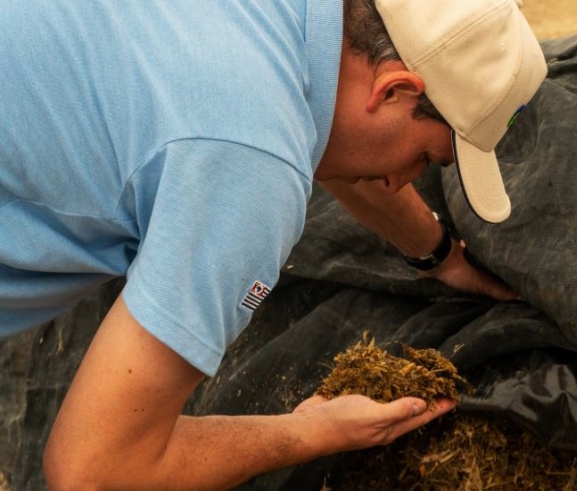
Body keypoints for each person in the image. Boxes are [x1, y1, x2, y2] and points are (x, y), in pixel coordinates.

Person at [0, 0, 546, 488]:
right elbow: (91, 470)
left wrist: (439, 255)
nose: (401, 181)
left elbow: (318, 121)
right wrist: (309, 432)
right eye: (424, 158)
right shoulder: (253, 168)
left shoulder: (289, 30)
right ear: (394, 89)